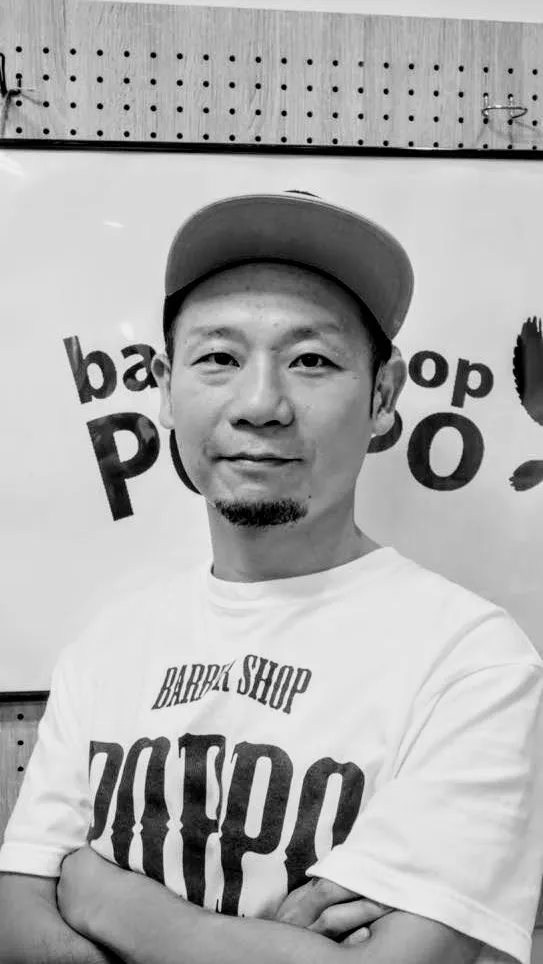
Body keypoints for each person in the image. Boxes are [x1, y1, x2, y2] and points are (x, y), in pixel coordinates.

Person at [0, 189, 542, 964]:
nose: (259, 404)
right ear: (164, 387)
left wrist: (108, 898)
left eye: (311, 360)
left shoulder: (473, 664)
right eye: (218, 358)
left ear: (381, 396)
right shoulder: (106, 648)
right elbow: (16, 918)